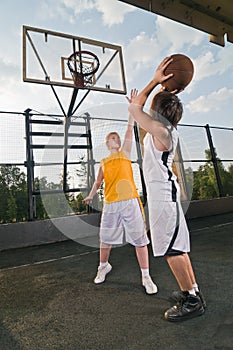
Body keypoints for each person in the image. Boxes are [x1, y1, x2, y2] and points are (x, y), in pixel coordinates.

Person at [127, 56, 206, 322]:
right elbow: (142, 109)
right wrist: (167, 90)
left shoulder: (161, 130)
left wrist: (155, 80)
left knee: (173, 251)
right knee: (178, 248)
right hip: (166, 198)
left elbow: (137, 108)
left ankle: (192, 301)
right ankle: (192, 291)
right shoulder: (164, 129)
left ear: (158, 112)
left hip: (163, 200)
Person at [82, 90, 157, 295]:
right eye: (111, 138)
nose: (115, 138)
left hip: (130, 201)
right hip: (111, 203)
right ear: (107, 144)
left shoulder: (125, 153)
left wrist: (132, 109)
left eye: (117, 137)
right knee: (105, 238)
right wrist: (90, 195)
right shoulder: (104, 162)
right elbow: (98, 182)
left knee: (140, 239)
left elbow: (128, 128)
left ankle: (145, 276)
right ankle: (103, 266)